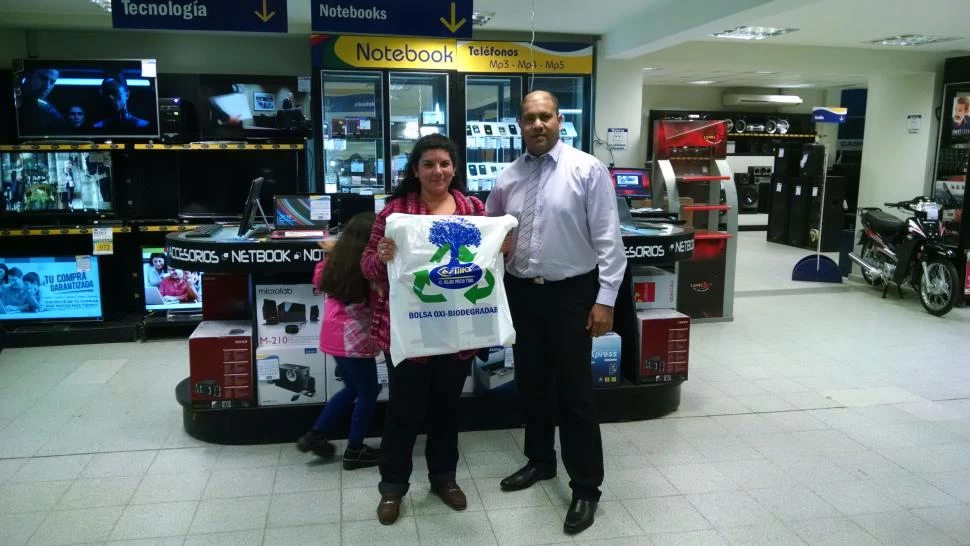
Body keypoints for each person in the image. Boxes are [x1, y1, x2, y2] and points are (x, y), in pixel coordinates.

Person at [486, 90, 627, 536]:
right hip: (524, 293)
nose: (538, 125)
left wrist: (605, 299)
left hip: (572, 295)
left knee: (574, 393)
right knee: (531, 384)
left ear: (559, 120)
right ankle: (540, 461)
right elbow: (489, 233)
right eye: (530, 118)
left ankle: (586, 486)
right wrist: (498, 245)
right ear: (520, 124)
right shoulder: (507, 177)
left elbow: (609, 240)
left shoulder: (587, 169)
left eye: (545, 116)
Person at [361, 134, 495, 525]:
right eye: (429, 164)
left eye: (445, 163)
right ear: (415, 170)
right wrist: (382, 258)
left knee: (446, 410)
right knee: (404, 411)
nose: (438, 171)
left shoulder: (473, 208)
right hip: (410, 330)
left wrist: (503, 247)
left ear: (455, 168)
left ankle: (443, 478)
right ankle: (393, 488)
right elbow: (367, 266)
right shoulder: (395, 213)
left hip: (458, 330)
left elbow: (490, 260)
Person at [297, 213, 383, 470]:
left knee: (352, 388)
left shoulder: (333, 262)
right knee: (369, 391)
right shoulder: (367, 271)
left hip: (332, 337)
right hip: (354, 342)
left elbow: (318, 280)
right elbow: (381, 298)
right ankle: (355, 449)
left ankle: (316, 434)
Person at [18, 68, 66, 135]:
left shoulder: (50, 111)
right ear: (28, 76)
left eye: (52, 82)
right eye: (43, 78)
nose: (47, 86)